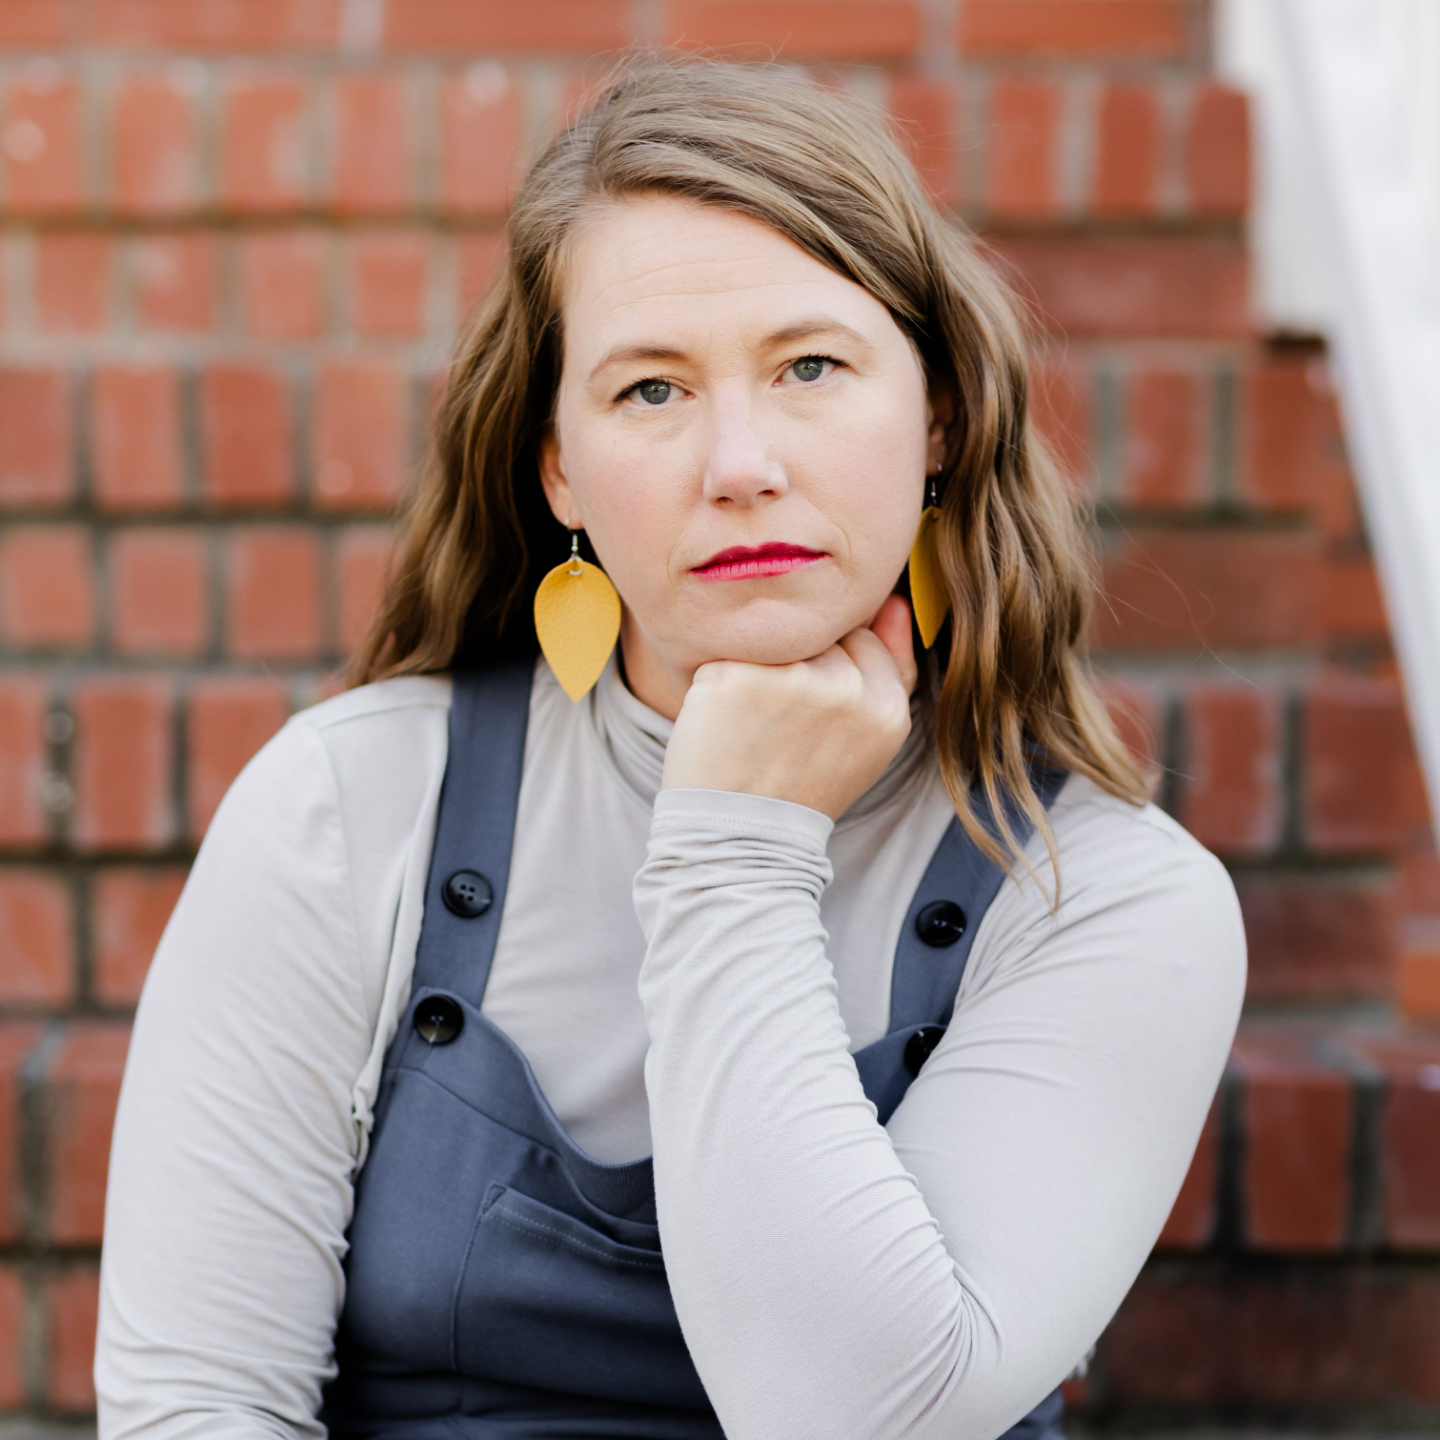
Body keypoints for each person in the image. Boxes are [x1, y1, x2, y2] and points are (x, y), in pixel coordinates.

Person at [95, 56, 1246, 1440]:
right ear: (558, 466)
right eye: (651, 390)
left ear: (938, 414)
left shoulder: (1102, 898)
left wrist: (737, 852)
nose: (739, 463)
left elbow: (852, 1419)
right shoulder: (351, 805)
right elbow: (196, 1402)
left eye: (811, 367)